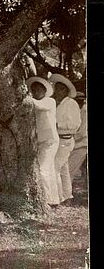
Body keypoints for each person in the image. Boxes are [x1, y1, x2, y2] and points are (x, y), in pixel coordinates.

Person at [27, 76, 60, 206]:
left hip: (50, 141)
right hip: (42, 142)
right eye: (33, 89)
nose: (36, 92)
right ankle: (53, 199)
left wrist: (25, 98)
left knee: (43, 170)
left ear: (45, 90)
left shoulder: (49, 101)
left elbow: (38, 105)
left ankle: (45, 200)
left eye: (38, 89)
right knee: (49, 170)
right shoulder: (34, 104)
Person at [49, 73, 81, 203]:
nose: (56, 91)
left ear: (65, 90)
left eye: (59, 89)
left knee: (55, 168)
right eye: (55, 88)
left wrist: (58, 125)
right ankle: (67, 195)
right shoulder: (57, 103)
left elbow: (76, 124)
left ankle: (56, 198)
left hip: (66, 140)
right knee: (63, 169)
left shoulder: (71, 103)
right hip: (57, 139)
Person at [67, 93, 87, 182]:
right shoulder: (78, 110)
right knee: (68, 172)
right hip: (76, 145)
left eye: (80, 100)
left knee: (70, 172)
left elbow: (82, 132)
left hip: (81, 145)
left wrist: (70, 137)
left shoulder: (84, 110)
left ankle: (67, 194)